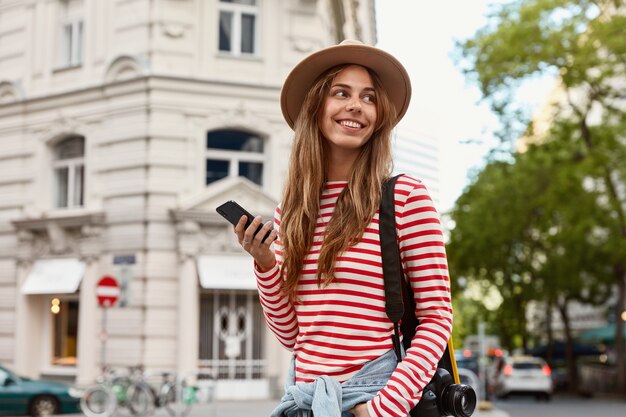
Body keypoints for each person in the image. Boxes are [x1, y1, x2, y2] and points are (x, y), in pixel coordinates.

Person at [233, 40, 452, 417]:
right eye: (341, 93)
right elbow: (292, 336)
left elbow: (437, 317)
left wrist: (383, 408)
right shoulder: (293, 211)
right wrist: (266, 263)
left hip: (371, 397)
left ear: (378, 115)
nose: (356, 105)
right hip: (303, 398)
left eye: (368, 97)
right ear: (316, 107)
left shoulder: (405, 198)